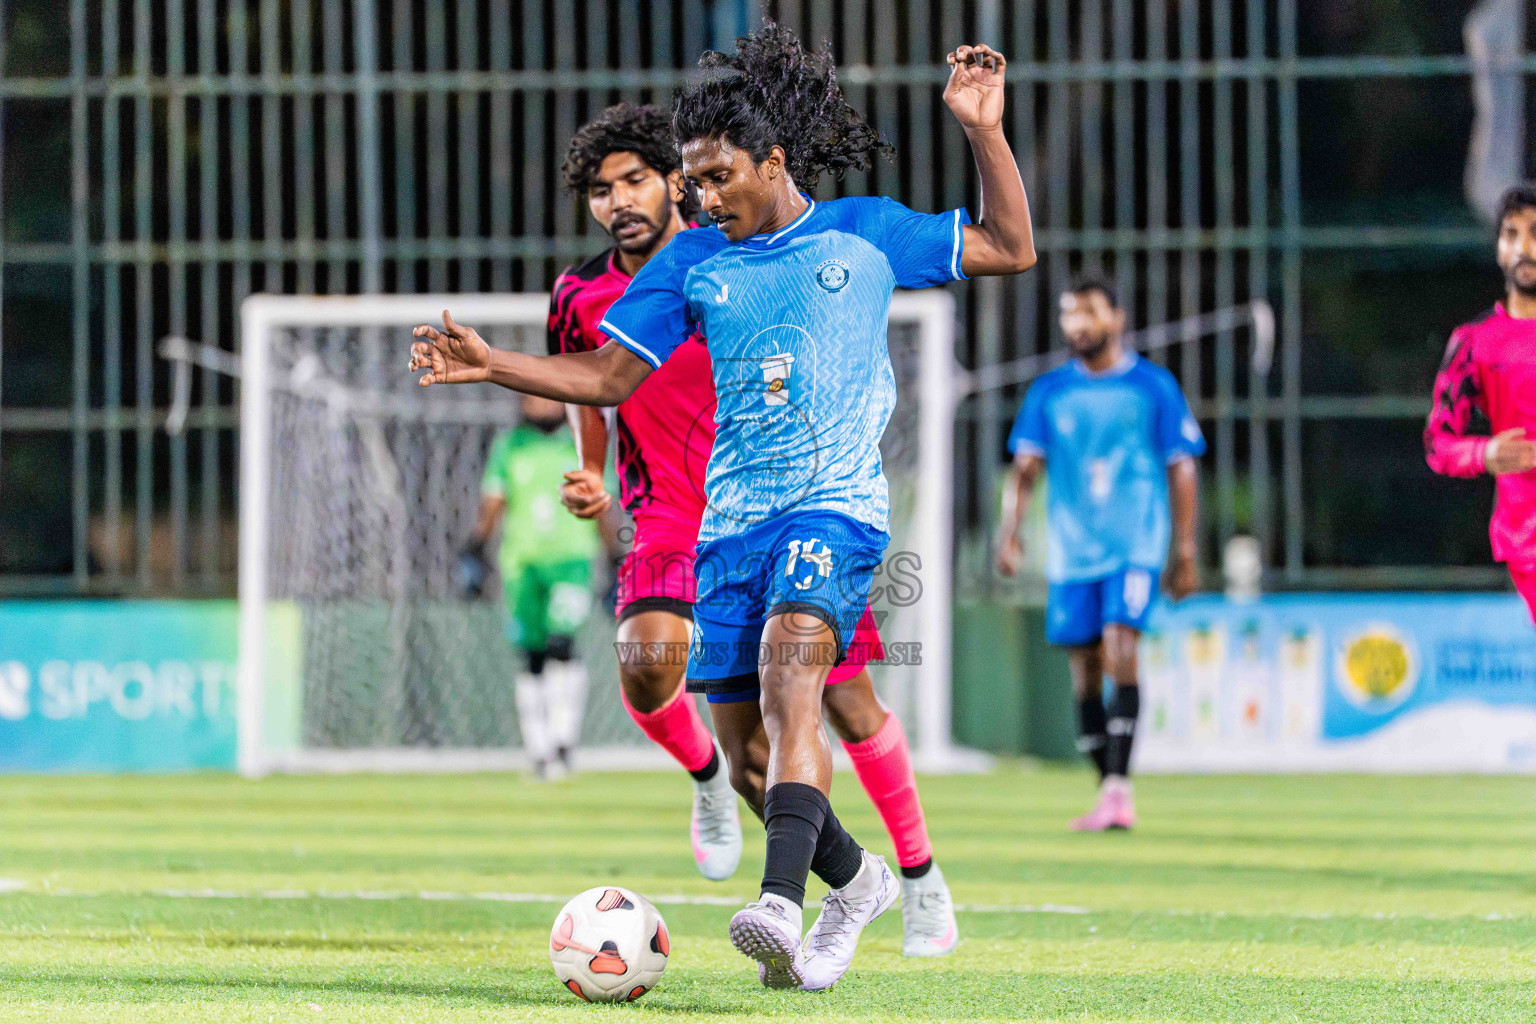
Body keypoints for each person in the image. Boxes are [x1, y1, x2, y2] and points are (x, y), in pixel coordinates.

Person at [411, 25, 1035, 990]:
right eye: (692, 180)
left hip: (835, 509)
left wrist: (984, 132)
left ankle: (781, 906)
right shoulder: (695, 261)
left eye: (716, 176)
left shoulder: (865, 233)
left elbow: (1008, 245)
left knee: (800, 678)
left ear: (773, 161)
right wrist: (494, 363)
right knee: (747, 761)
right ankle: (858, 881)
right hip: (728, 523)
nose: (701, 198)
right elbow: (610, 374)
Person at [550, 103, 958, 956]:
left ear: (671, 180)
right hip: (676, 512)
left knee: (842, 702)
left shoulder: (745, 258)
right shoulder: (591, 290)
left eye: (639, 180)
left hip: (802, 504)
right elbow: (597, 379)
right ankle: (711, 781)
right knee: (655, 677)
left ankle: (913, 874)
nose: (620, 200)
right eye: (600, 189)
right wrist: (590, 469)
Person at [996, 277, 1203, 830]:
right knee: (1085, 673)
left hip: (1134, 543)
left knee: (1120, 647)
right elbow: (1025, 469)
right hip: (1072, 551)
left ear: (1118, 317)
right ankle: (1107, 788)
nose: (1078, 325)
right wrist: (1009, 531)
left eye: (1089, 313)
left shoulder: (1153, 387)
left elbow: (1182, 466)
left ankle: (1118, 786)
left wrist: (1184, 548)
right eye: (1069, 315)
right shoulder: (1050, 392)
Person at [468, 394, 600, 780]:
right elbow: (494, 500)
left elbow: (601, 502)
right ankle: (538, 747)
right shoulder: (509, 446)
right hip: (522, 563)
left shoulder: (583, 443)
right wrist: (475, 545)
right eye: (532, 398)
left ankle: (564, 740)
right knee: (532, 656)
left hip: (571, 560)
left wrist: (615, 553)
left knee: (564, 646)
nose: (539, 405)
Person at [1424, 184, 1536, 625]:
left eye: (1535, 232)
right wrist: (1485, 453)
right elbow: (1438, 442)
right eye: (1512, 234)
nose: (1524, 247)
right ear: (1498, 250)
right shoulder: (1474, 342)